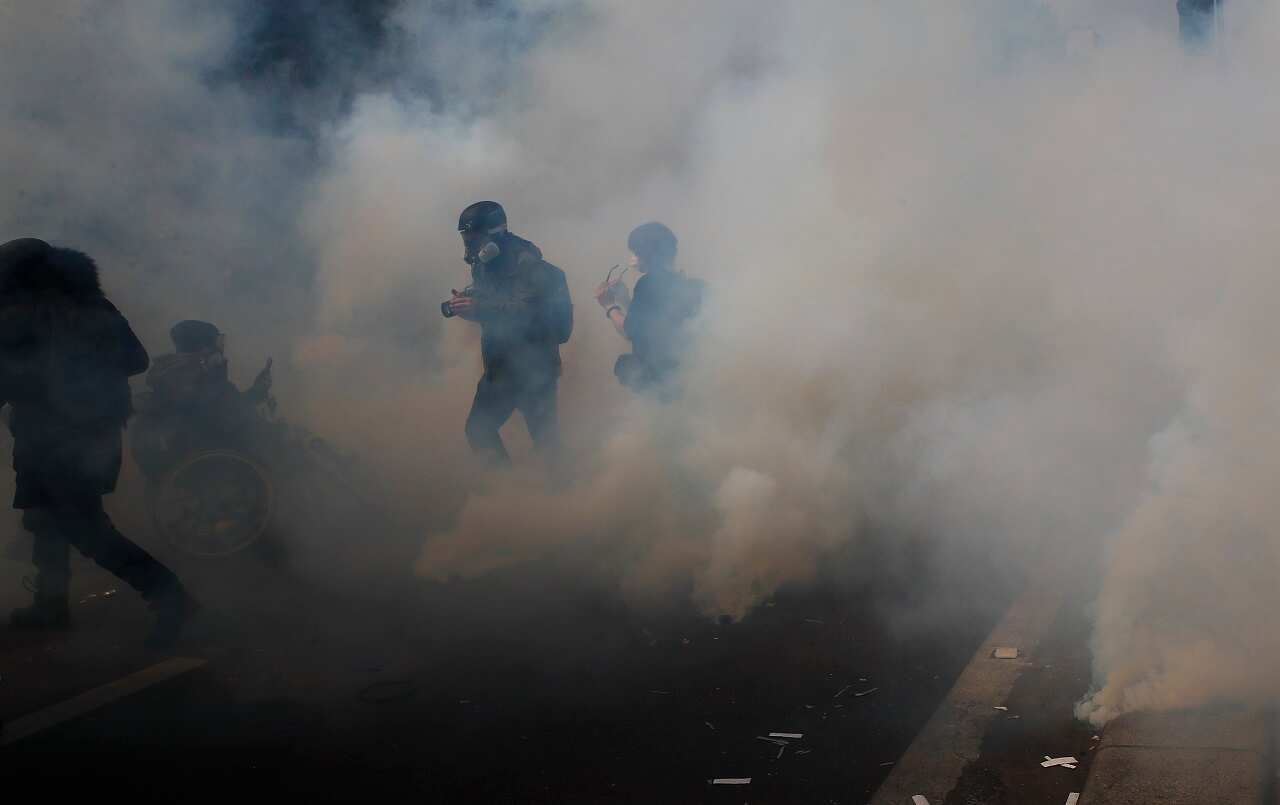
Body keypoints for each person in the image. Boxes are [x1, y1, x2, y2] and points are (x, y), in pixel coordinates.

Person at [0, 238, 196, 646]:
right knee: (44, 521)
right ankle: (51, 606)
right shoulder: (81, 307)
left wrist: (66, 371)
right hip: (51, 435)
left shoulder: (40, 314)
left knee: (86, 530)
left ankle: (170, 596)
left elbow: (133, 359)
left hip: (70, 439)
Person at [445, 201, 573, 466]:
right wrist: (467, 302)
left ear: (493, 235)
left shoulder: (528, 265)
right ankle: (507, 492)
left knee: (544, 442)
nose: (468, 243)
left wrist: (480, 308)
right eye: (465, 237)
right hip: (501, 366)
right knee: (480, 430)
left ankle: (567, 497)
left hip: (534, 368)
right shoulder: (484, 264)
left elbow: (527, 312)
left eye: (472, 236)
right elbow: (494, 298)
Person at [133, 319, 273, 473]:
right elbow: (227, 412)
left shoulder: (174, 373)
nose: (220, 354)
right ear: (204, 352)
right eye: (215, 347)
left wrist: (256, 392)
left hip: (180, 454)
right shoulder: (188, 378)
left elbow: (223, 407)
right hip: (202, 458)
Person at [594, 222, 703, 399]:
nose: (632, 259)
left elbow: (630, 331)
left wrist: (609, 306)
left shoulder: (648, 284)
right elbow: (649, 323)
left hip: (660, 382)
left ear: (647, 254)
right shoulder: (686, 284)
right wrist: (624, 299)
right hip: (685, 378)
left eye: (636, 252)